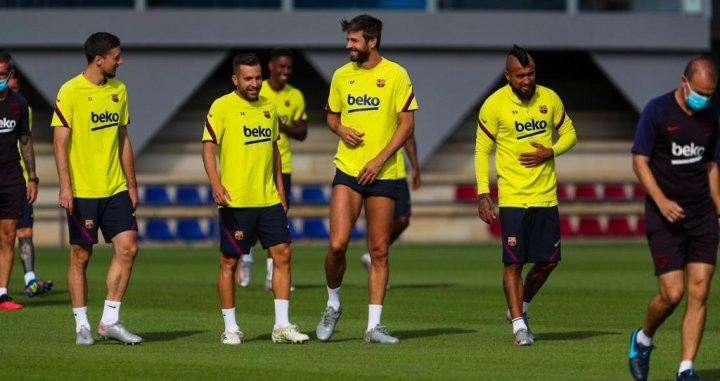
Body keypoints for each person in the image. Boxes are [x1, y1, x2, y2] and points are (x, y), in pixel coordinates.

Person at [315, 14, 417, 344]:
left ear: (372, 42)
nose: (348, 46)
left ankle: (373, 327)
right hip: (348, 170)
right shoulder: (341, 76)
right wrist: (340, 127)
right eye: (348, 40)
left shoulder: (397, 74)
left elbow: (407, 125)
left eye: (354, 40)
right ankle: (332, 304)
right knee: (337, 244)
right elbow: (331, 116)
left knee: (379, 251)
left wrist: (379, 159)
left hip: (384, 173)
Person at [202, 52, 309, 345]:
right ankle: (231, 327)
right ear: (235, 79)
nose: (254, 83)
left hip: (269, 198)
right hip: (236, 200)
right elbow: (209, 147)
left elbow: (275, 150)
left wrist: (281, 190)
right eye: (248, 78)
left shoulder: (269, 106)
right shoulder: (221, 107)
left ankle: (282, 326)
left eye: (258, 77)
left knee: (283, 255)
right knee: (229, 262)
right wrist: (215, 184)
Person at [475, 45, 576, 346]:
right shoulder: (493, 106)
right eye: (520, 75)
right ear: (508, 76)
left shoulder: (550, 98)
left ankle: (521, 306)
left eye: (530, 73)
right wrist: (483, 193)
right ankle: (519, 325)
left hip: (546, 197)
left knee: (548, 263)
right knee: (513, 264)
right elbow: (482, 151)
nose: (526, 80)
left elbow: (570, 133)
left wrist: (551, 151)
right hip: (513, 199)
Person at [628, 57, 719, 381]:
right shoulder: (657, 111)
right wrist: (662, 201)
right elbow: (640, 162)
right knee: (673, 293)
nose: (703, 100)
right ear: (684, 82)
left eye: (709, 94)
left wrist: (718, 209)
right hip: (664, 216)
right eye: (699, 92)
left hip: (702, 216)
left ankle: (686, 369)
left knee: (700, 291)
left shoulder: (710, 116)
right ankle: (643, 338)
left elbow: (711, 165)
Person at [51, 32, 142, 345]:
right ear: (98, 59)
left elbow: (123, 138)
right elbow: (60, 142)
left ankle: (110, 321)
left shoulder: (120, 90)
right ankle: (82, 325)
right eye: (116, 56)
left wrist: (131, 183)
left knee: (128, 247)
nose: (121, 61)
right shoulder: (70, 91)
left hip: (115, 187)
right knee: (81, 255)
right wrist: (65, 186)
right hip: (82, 191)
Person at [238, 48, 307, 291]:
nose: (285, 71)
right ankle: (246, 258)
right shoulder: (258, 89)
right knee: (251, 221)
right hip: (255, 165)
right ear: (271, 67)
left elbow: (303, 132)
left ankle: (271, 276)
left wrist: (280, 126)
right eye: (281, 67)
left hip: (282, 166)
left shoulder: (295, 95)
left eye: (289, 67)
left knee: (277, 221)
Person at [9, 74, 53, 298]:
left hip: (19, 180)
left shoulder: (22, 108)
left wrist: (32, 178)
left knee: (25, 231)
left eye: (15, 87)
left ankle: (30, 280)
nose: (12, 91)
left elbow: (25, 142)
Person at [0, 51, 38, 310]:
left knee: (8, 235)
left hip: (12, 178)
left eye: (2, 74)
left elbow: (25, 142)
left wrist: (33, 177)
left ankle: (2, 293)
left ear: (10, 75)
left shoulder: (19, 104)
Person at [359, 136, 421, 289]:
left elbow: (408, 136)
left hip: (395, 171)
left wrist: (415, 167)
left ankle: (373, 256)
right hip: (367, 167)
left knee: (403, 219)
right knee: (375, 222)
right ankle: (377, 265)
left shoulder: (398, 112)